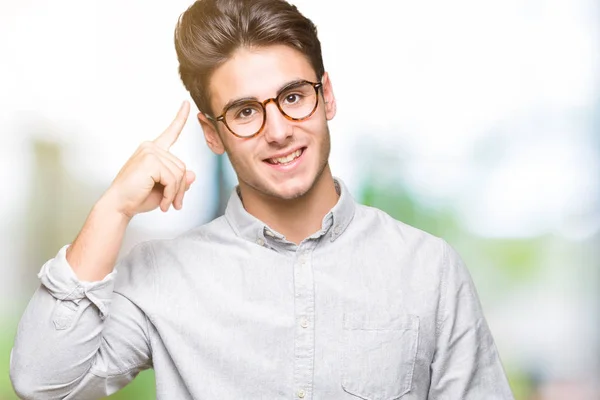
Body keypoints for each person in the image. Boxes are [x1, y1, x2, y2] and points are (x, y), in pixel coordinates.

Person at [10, 0, 514, 399]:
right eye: (246, 111)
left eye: (293, 96)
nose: (278, 131)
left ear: (328, 95)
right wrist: (111, 209)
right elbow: (42, 382)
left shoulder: (428, 269)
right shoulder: (160, 277)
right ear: (212, 133)